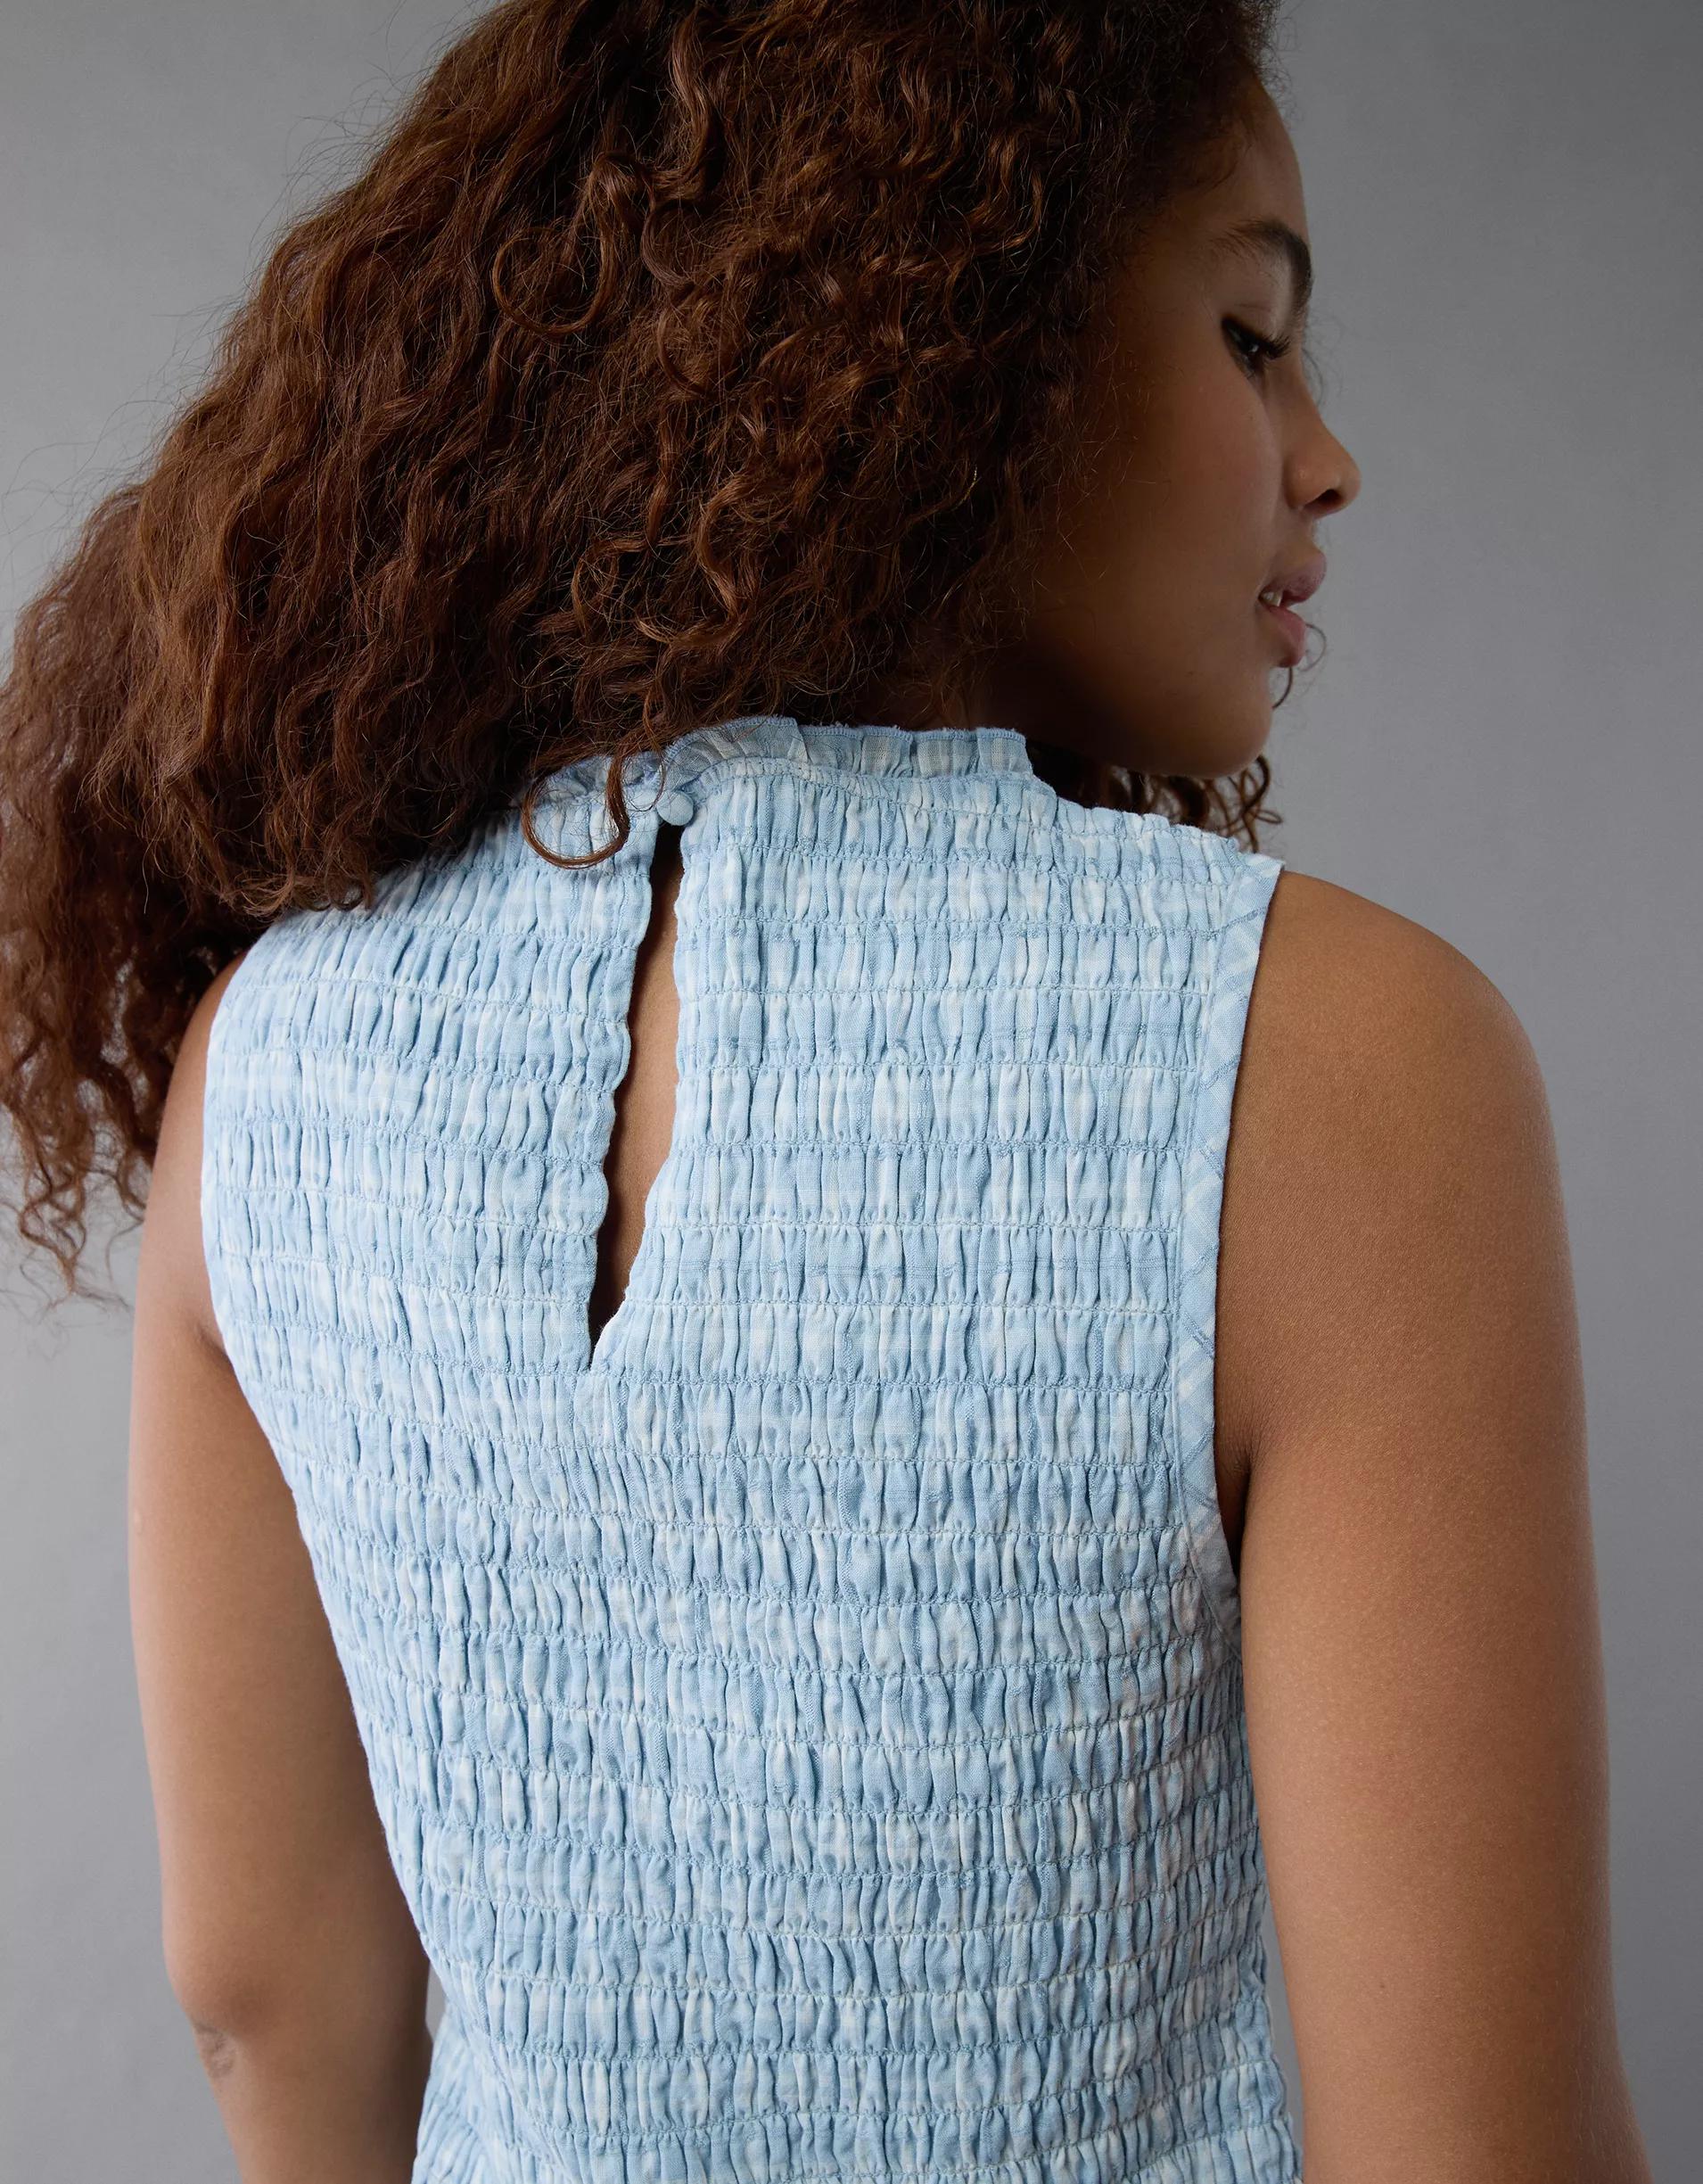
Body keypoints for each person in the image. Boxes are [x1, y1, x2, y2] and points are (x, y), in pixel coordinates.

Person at [0, 4, 1652, 2180]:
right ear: (970, 332)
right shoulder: (1345, 1067)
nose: (1322, 453)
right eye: (1250, 335)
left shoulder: (267, 1058)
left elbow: (267, 1999)